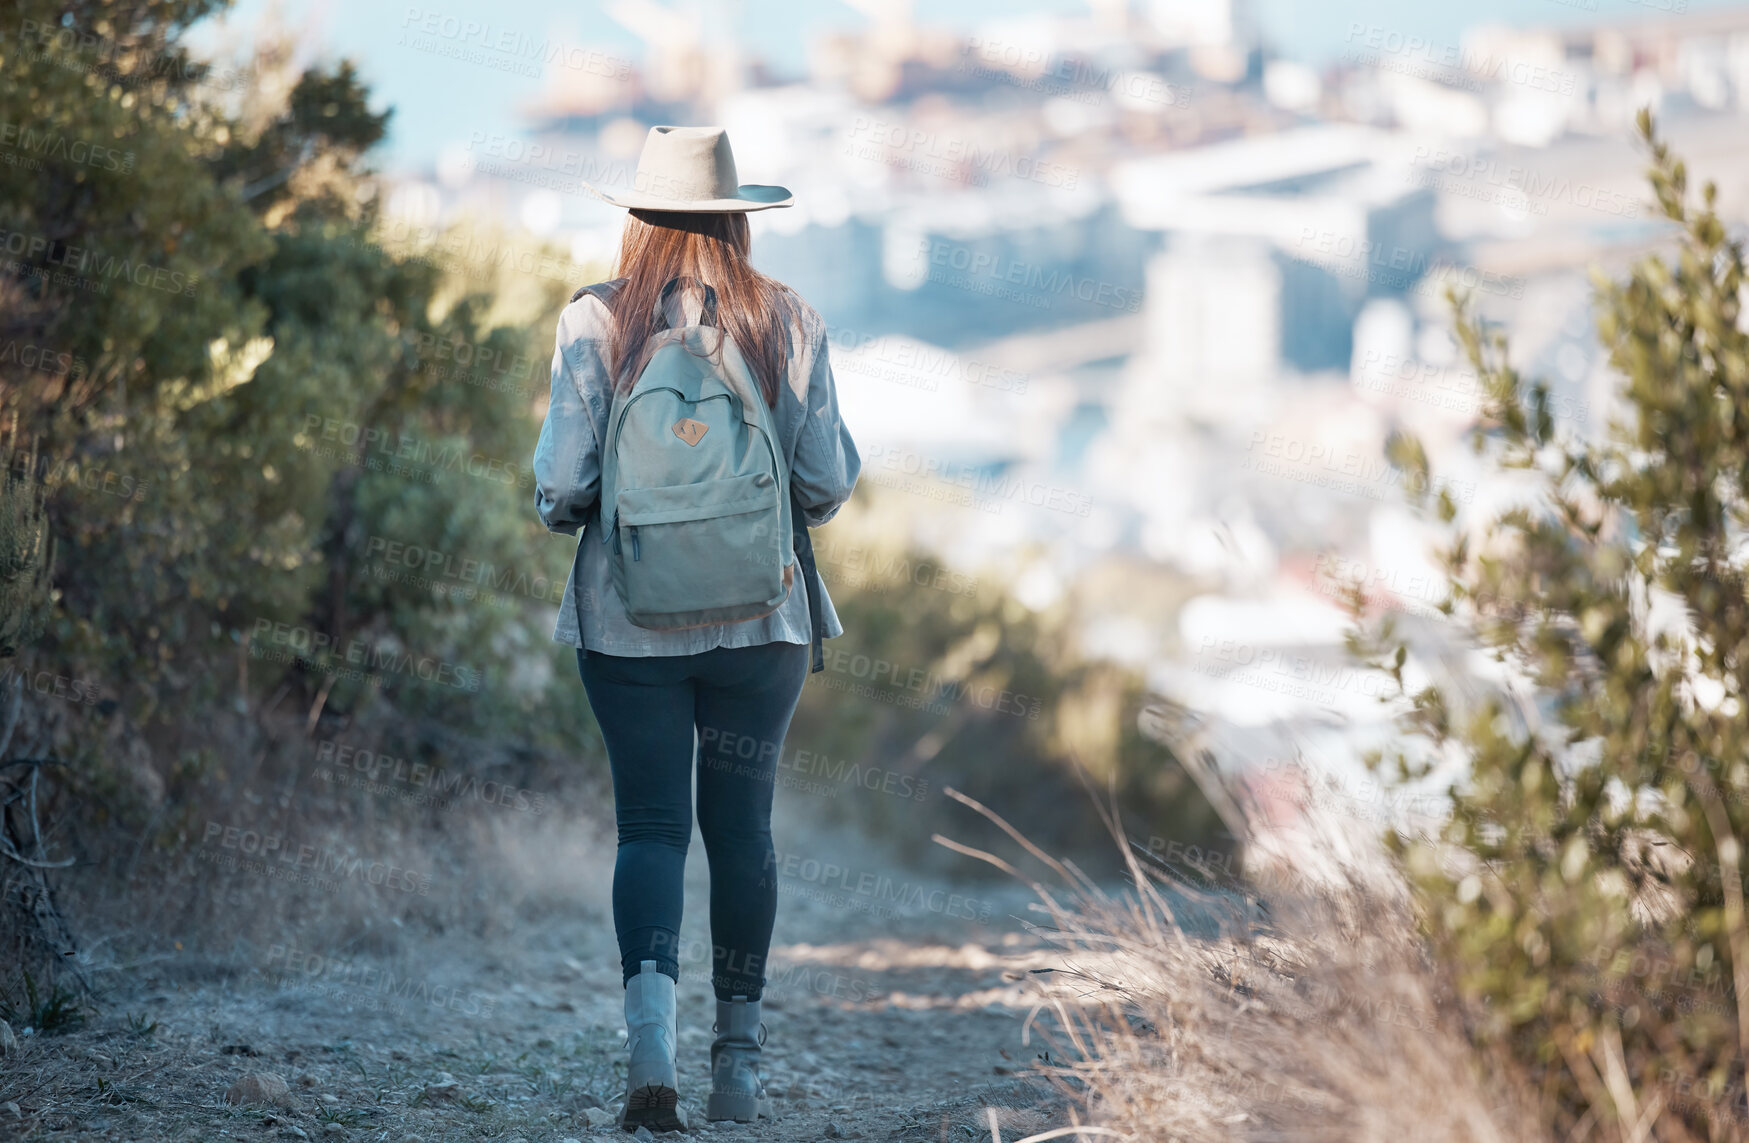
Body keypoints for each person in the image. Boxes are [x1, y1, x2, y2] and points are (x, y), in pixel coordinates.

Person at [531, 124, 860, 1133]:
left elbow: (562, 488)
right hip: (765, 623)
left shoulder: (595, 321)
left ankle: (651, 1052)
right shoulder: (787, 318)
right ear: (738, 217)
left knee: (650, 829)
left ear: (635, 219)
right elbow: (824, 482)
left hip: (627, 625)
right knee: (742, 829)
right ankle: (739, 1071)